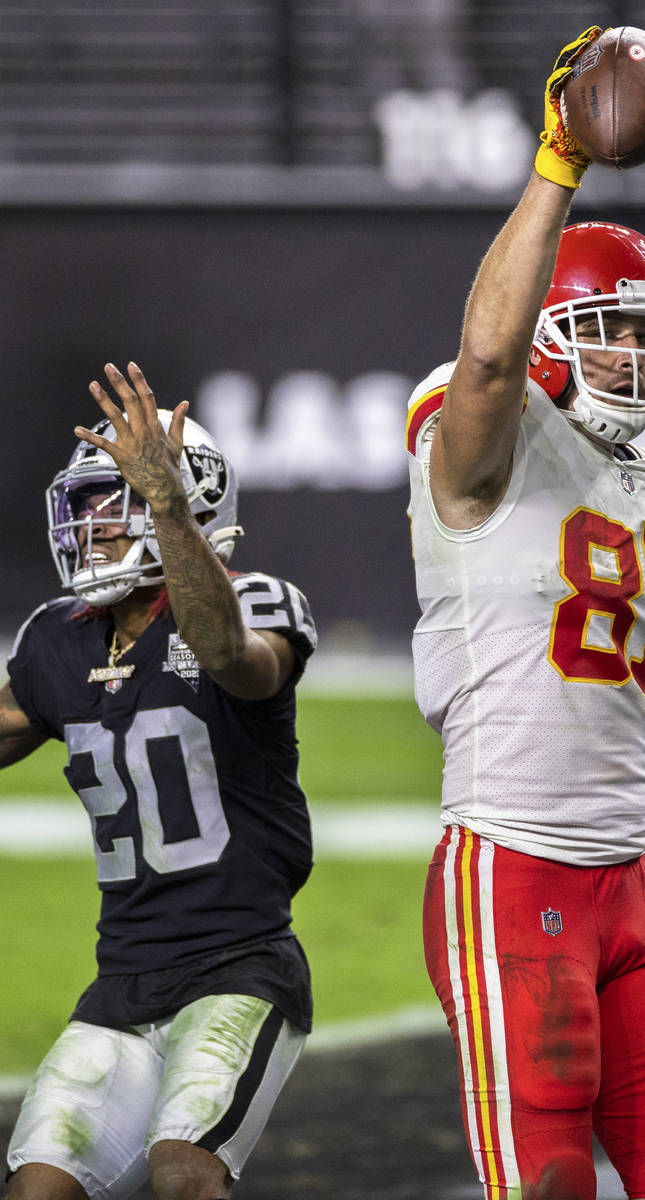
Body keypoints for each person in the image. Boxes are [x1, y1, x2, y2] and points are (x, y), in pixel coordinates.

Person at [406, 26, 645, 1200]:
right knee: (548, 1186)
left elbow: (643, 713)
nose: (639, 353)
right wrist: (557, 165)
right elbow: (487, 365)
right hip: (514, 866)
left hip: (636, 887)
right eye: (614, 326)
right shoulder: (477, 451)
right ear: (554, 333)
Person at [1, 362, 317, 1200]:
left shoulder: (258, 603)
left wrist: (167, 511)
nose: (96, 527)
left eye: (121, 501)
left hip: (240, 966)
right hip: (123, 978)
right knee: (38, 1188)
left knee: (184, 1174)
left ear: (190, 501)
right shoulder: (58, 639)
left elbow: (230, 659)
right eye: (92, 505)